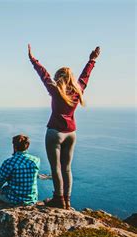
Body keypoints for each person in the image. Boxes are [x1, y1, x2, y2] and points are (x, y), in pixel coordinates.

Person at [28, 44, 100, 209]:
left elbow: (43, 74)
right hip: (71, 133)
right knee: (67, 168)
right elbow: (85, 76)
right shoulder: (78, 90)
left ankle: (58, 199)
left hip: (55, 133)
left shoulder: (55, 90)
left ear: (59, 77)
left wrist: (33, 59)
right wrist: (92, 60)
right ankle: (67, 201)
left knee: (56, 168)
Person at [0, 134, 40, 206]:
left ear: (14, 146)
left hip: (15, 199)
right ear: (28, 146)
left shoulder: (9, 163)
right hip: (31, 199)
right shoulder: (36, 160)